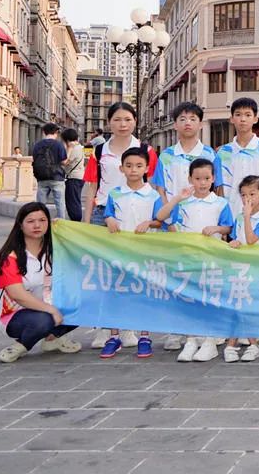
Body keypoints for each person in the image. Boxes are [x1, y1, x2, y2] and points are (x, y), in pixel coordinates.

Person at [156, 158, 233, 362]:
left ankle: (209, 342)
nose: (202, 183)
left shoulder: (220, 203)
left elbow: (228, 227)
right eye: (197, 178)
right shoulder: (183, 203)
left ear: (213, 178)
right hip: (187, 259)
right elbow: (161, 216)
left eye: (206, 178)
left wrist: (216, 228)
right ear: (190, 179)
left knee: (210, 297)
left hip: (212, 258)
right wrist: (177, 198)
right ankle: (191, 340)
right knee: (190, 297)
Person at [0, 202, 81, 363]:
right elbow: (18, 295)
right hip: (15, 314)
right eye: (31, 221)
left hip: (49, 304)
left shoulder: (54, 249)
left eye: (42, 220)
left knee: (83, 303)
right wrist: (51, 310)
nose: (37, 225)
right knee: (44, 320)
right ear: (20, 225)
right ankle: (21, 346)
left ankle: (52, 338)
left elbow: (79, 251)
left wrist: (63, 229)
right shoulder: (9, 257)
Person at [98, 147, 164, 360]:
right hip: (119, 251)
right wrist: (109, 219)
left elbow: (160, 220)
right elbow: (108, 214)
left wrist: (150, 223)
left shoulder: (153, 195)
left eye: (138, 166)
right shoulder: (115, 193)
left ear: (146, 168)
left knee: (144, 294)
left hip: (145, 253)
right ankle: (114, 336)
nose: (133, 170)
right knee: (116, 292)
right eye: (129, 166)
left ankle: (144, 336)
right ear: (121, 168)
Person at [223, 176, 259, 363]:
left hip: (258, 267)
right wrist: (234, 242)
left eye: (252, 194)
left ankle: (241, 344)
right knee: (239, 304)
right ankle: (241, 344)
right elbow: (237, 238)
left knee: (247, 305)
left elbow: (252, 240)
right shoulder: (239, 217)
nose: (248, 199)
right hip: (240, 267)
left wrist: (247, 217)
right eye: (244, 195)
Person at [83, 102, 157, 228]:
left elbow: (152, 186)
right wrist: (86, 222)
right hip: (102, 214)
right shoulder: (99, 151)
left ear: (135, 121)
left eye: (128, 119)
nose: (123, 124)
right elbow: (92, 188)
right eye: (117, 120)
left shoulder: (147, 151)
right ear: (109, 122)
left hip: (137, 212)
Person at [151, 103, 220, 219]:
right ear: (175, 125)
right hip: (171, 219)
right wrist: (167, 218)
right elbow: (160, 190)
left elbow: (217, 188)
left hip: (203, 218)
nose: (188, 123)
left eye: (193, 119)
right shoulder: (166, 156)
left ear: (200, 124)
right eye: (183, 119)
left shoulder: (210, 155)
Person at [216, 97, 259, 219]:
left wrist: (257, 193)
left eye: (248, 115)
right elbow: (220, 188)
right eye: (238, 114)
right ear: (231, 119)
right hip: (233, 213)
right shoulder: (223, 152)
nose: (243, 119)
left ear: (255, 119)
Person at [31, 123, 68, 219]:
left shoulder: (37, 145)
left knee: (40, 204)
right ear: (56, 132)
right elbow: (64, 161)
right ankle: (61, 222)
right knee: (60, 203)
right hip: (57, 177)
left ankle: (40, 220)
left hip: (41, 176)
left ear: (44, 132)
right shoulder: (59, 144)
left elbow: (34, 159)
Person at [60, 129, 86, 222]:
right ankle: (76, 220)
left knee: (72, 201)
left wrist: (69, 148)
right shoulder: (80, 147)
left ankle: (76, 221)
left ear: (67, 140)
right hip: (79, 176)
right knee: (75, 200)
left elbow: (65, 161)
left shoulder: (75, 149)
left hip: (74, 178)